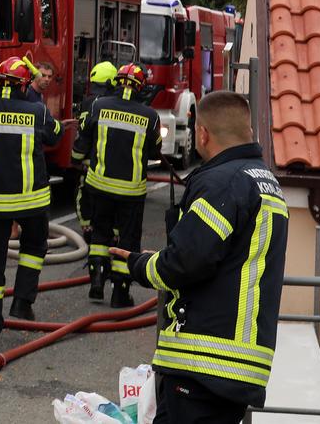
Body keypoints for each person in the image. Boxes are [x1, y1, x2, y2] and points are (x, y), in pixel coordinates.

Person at [113, 90, 288, 424]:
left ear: (203, 133)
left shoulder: (222, 183)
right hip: (239, 365)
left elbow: (187, 261)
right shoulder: (265, 182)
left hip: (204, 361)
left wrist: (140, 264)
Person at [0, 55, 62, 345]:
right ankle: (22, 301)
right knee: (34, 247)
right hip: (32, 202)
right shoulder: (37, 111)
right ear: (24, 85)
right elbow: (55, 136)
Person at [72, 62, 160, 307]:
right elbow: (154, 152)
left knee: (100, 233)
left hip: (98, 185)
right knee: (128, 241)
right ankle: (120, 295)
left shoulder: (99, 106)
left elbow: (82, 142)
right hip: (131, 191)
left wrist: (76, 160)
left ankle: (96, 282)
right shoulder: (150, 116)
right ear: (141, 88)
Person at [73, 60, 121, 235]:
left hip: (91, 163)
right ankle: (115, 232)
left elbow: (83, 133)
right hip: (116, 165)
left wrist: (76, 158)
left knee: (85, 193)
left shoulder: (89, 104)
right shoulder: (119, 104)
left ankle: (87, 226)